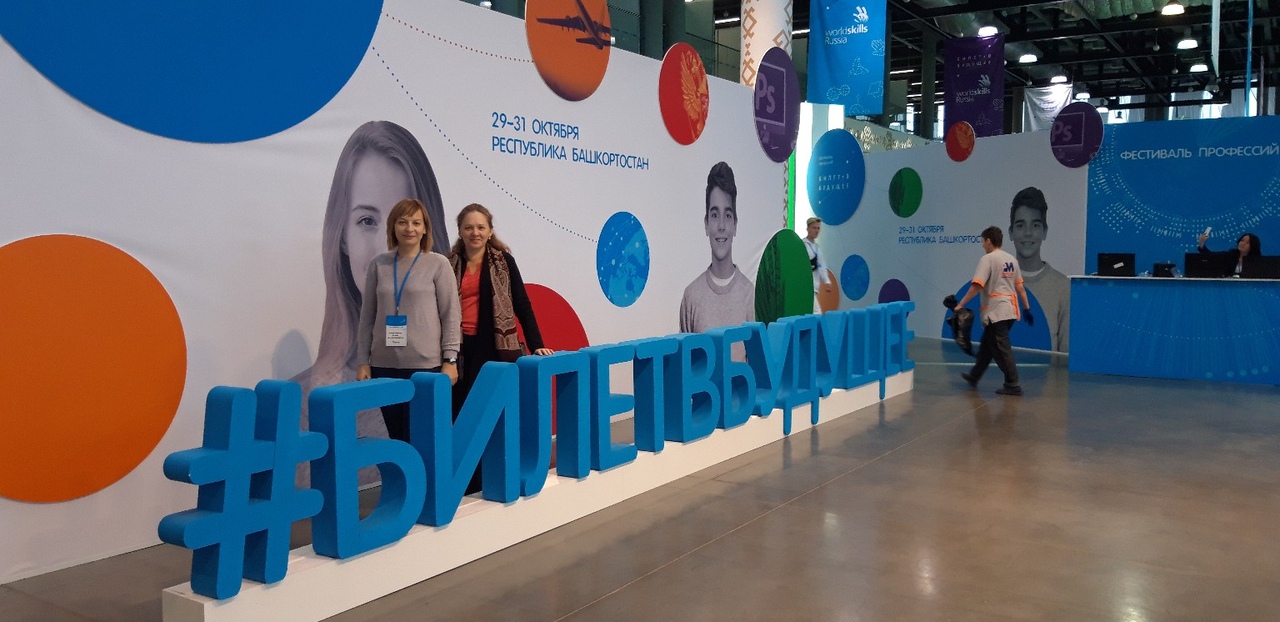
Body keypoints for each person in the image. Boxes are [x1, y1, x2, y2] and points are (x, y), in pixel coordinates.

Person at [295, 120, 449, 439]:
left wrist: (449, 360)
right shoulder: (304, 404)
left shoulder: (450, 382)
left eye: (408, 221)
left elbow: (451, 317)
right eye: (367, 220)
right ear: (342, 237)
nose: (388, 242)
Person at [449, 203, 553, 494]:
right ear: (460, 231)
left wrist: (537, 344)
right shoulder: (448, 264)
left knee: (492, 414)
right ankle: (468, 481)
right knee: (462, 414)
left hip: (493, 347)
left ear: (490, 231)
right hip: (459, 350)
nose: (475, 232)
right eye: (469, 227)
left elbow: (522, 304)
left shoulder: (503, 262)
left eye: (481, 227)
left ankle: (495, 474)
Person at [355, 198, 461, 443]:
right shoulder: (379, 264)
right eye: (402, 222)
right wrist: (363, 361)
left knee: (425, 438)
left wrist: (450, 359)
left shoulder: (438, 264)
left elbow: (450, 315)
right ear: (393, 227)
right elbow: (367, 316)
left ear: (425, 229)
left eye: (416, 223)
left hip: (427, 367)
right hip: (384, 366)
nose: (409, 228)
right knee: (398, 438)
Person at [679, 161, 755, 338]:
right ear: (706, 224)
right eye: (714, 215)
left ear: (735, 224)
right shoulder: (691, 297)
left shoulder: (751, 296)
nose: (721, 226)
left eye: (727, 215)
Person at [956, 226, 1034, 396]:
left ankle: (1013, 383)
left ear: (989, 241)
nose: (982, 245)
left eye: (983, 241)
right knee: (987, 346)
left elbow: (977, 285)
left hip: (996, 311)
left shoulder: (988, 259)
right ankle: (974, 376)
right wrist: (1027, 308)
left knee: (1001, 348)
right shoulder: (1011, 260)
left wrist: (960, 304)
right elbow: (1020, 287)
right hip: (1010, 310)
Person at [1008, 187, 1069, 352]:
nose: (1028, 233)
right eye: (1020, 225)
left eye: (1035, 225)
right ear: (1011, 232)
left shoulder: (1063, 288)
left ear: (1044, 232)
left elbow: (1065, 358)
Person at [1197, 231, 1263, 277]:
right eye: (1242, 240)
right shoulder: (1230, 255)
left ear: (1252, 246)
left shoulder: (1256, 261)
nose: (1243, 243)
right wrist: (1201, 243)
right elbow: (1211, 256)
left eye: (1247, 243)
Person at [804, 216, 833, 313]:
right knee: (817, 312)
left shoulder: (817, 248)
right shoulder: (803, 245)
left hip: (815, 286)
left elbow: (822, 266)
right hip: (806, 285)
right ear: (808, 228)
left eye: (818, 228)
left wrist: (827, 281)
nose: (816, 231)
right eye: (814, 228)